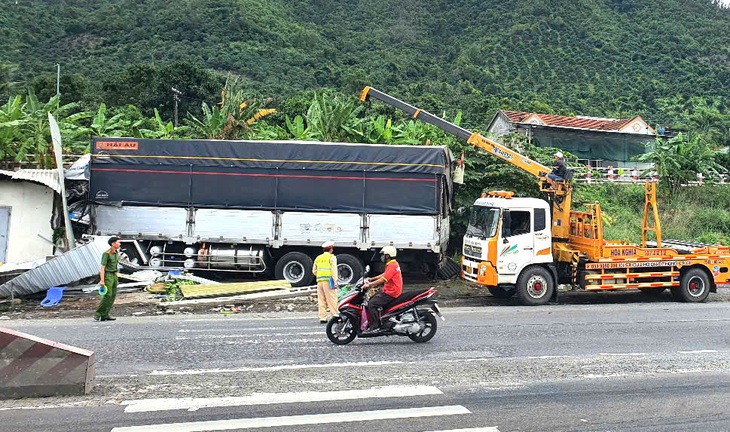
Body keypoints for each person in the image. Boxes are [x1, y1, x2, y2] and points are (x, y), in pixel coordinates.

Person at [362, 246, 402, 333]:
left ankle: (376, 325)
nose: (382, 257)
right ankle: (382, 318)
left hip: (391, 292)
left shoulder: (392, 265)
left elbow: (383, 280)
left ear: (388, 256)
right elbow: (384, 275)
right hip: (389, 290)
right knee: (371, 298)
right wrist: (372, 279)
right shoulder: (393, 264)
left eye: (383, 255)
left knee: (372, 304)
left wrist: (369, 285)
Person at [95, 236, 121, 321]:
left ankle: (105, 314)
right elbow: (103, 267)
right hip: (108, 276)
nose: (119, 244)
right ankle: (98, 313)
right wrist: (102, 280)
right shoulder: (107, 253)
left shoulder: (116, 253)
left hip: (114, 275)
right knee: (107, 295)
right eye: (118, 242)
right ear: (113, 244)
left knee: (112, 295)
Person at [312, 240, 339, 324]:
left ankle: (322, 317)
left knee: (321, 299)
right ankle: (335, 315)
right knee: (332, 299)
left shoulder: (318, 258)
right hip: (329, 281)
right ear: (331, 250)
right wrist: (335, 282)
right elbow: (334, 271)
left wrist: (319, 275)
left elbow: (314, 271)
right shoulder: (332, 257)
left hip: (320, 281)